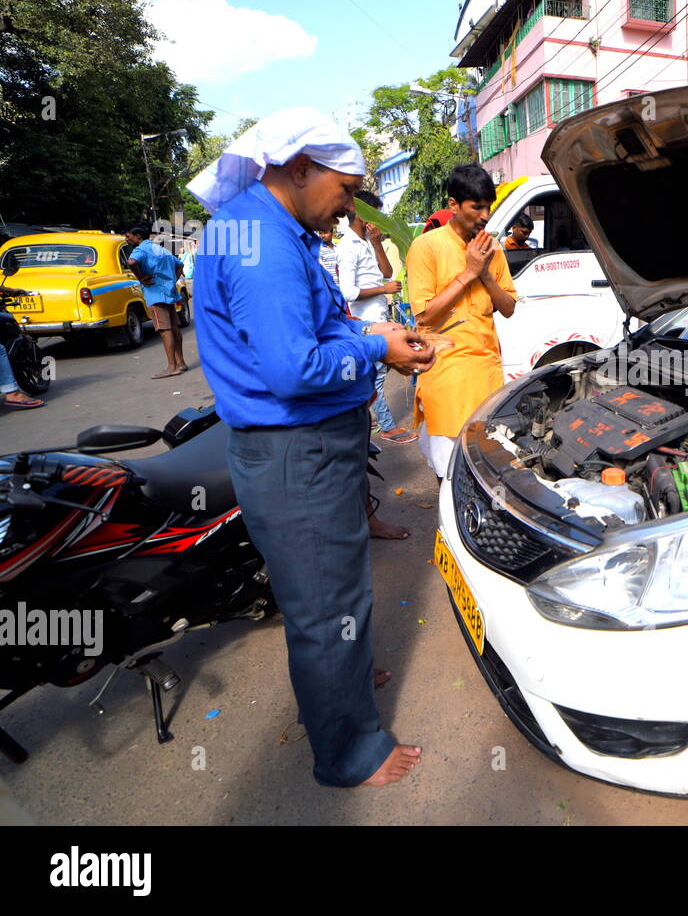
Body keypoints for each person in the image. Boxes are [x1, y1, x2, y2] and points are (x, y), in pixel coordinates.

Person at [187, 108, 445, 788]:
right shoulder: (262, 244)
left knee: (336, 599)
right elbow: (294, 368)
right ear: (300, 167)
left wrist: (376, 333)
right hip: (296, 452)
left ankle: (344, 681)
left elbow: (321, 326)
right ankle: (349, 752)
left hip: (302, 451)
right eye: (349, 186)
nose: (352, 203)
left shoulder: (272, 228)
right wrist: (376, 346)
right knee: (327, 606)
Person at [406, 164, 517, 478]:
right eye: (477, 207)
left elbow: (507, 307)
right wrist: (468, 274)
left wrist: (484, 274)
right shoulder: (426, 247)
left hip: (486, 372)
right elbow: (425, 314)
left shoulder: (491, 249)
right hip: (446, 375)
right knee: (449, 473)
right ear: (453, 205)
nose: (485, 215)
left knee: (486, 469)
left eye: (488, 207)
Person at [335, 190, 417, 445]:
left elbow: (387, 271)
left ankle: (369, 419)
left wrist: (378, 243)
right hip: (366, 321)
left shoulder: (369, 241)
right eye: (375, 213)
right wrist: (384, 289)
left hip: (380, 315)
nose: (379, 218)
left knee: (374, 374)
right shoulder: (348, 246)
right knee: (376, 376)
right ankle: (388, 427)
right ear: (361, 213)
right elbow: (347, 292)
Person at [124, 225, 188, 377]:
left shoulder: (140, 250)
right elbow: (180, 265)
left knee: (165, 330)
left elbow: (131, 262)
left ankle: (172, 366)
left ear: (138, 236)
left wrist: (141, 278)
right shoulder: (160, 249)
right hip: (169, 292)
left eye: (129, 236)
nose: (127, 239)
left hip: (155, 294)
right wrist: (172, 281)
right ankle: (181, 362)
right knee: (174, 327)